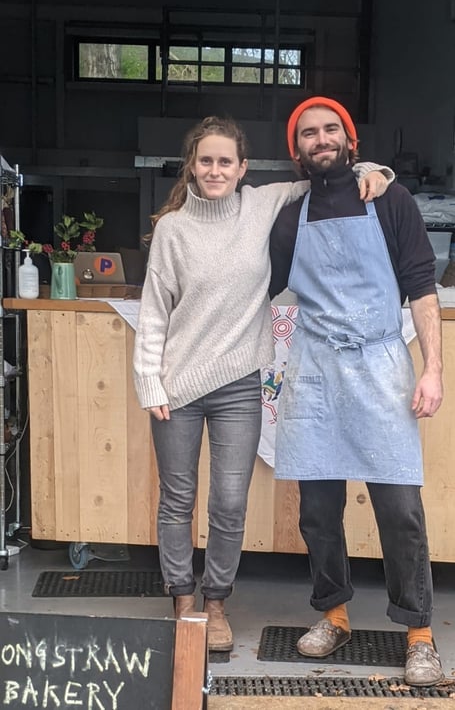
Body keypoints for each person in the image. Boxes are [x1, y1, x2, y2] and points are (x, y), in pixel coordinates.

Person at [133, 115, 393, 652]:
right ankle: (183, 601)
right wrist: (149, 383)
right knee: (177, 500)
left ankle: (216, 603)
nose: (215, 170)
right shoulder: (173, 230)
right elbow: (154, 312)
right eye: (206, 160)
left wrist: (375, 170)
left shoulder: (262, 204)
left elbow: (324, 173)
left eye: (225, 161)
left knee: (229, 503)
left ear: (242, 167)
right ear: (191, 166)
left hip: (239, 385)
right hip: (177, 387)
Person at [269, 96, 444, 687]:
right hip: (315, 368)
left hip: (379, 365)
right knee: (318, 511)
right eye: (309, 133)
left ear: (350, 139)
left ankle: (418, 633)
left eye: (331, 129)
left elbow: (422, 287)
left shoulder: (390, 200)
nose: (321, 139)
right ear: (297, 150)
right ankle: (334, 615)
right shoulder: (289, 218)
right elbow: (259, 285)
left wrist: (433, 368)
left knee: (400, 510)